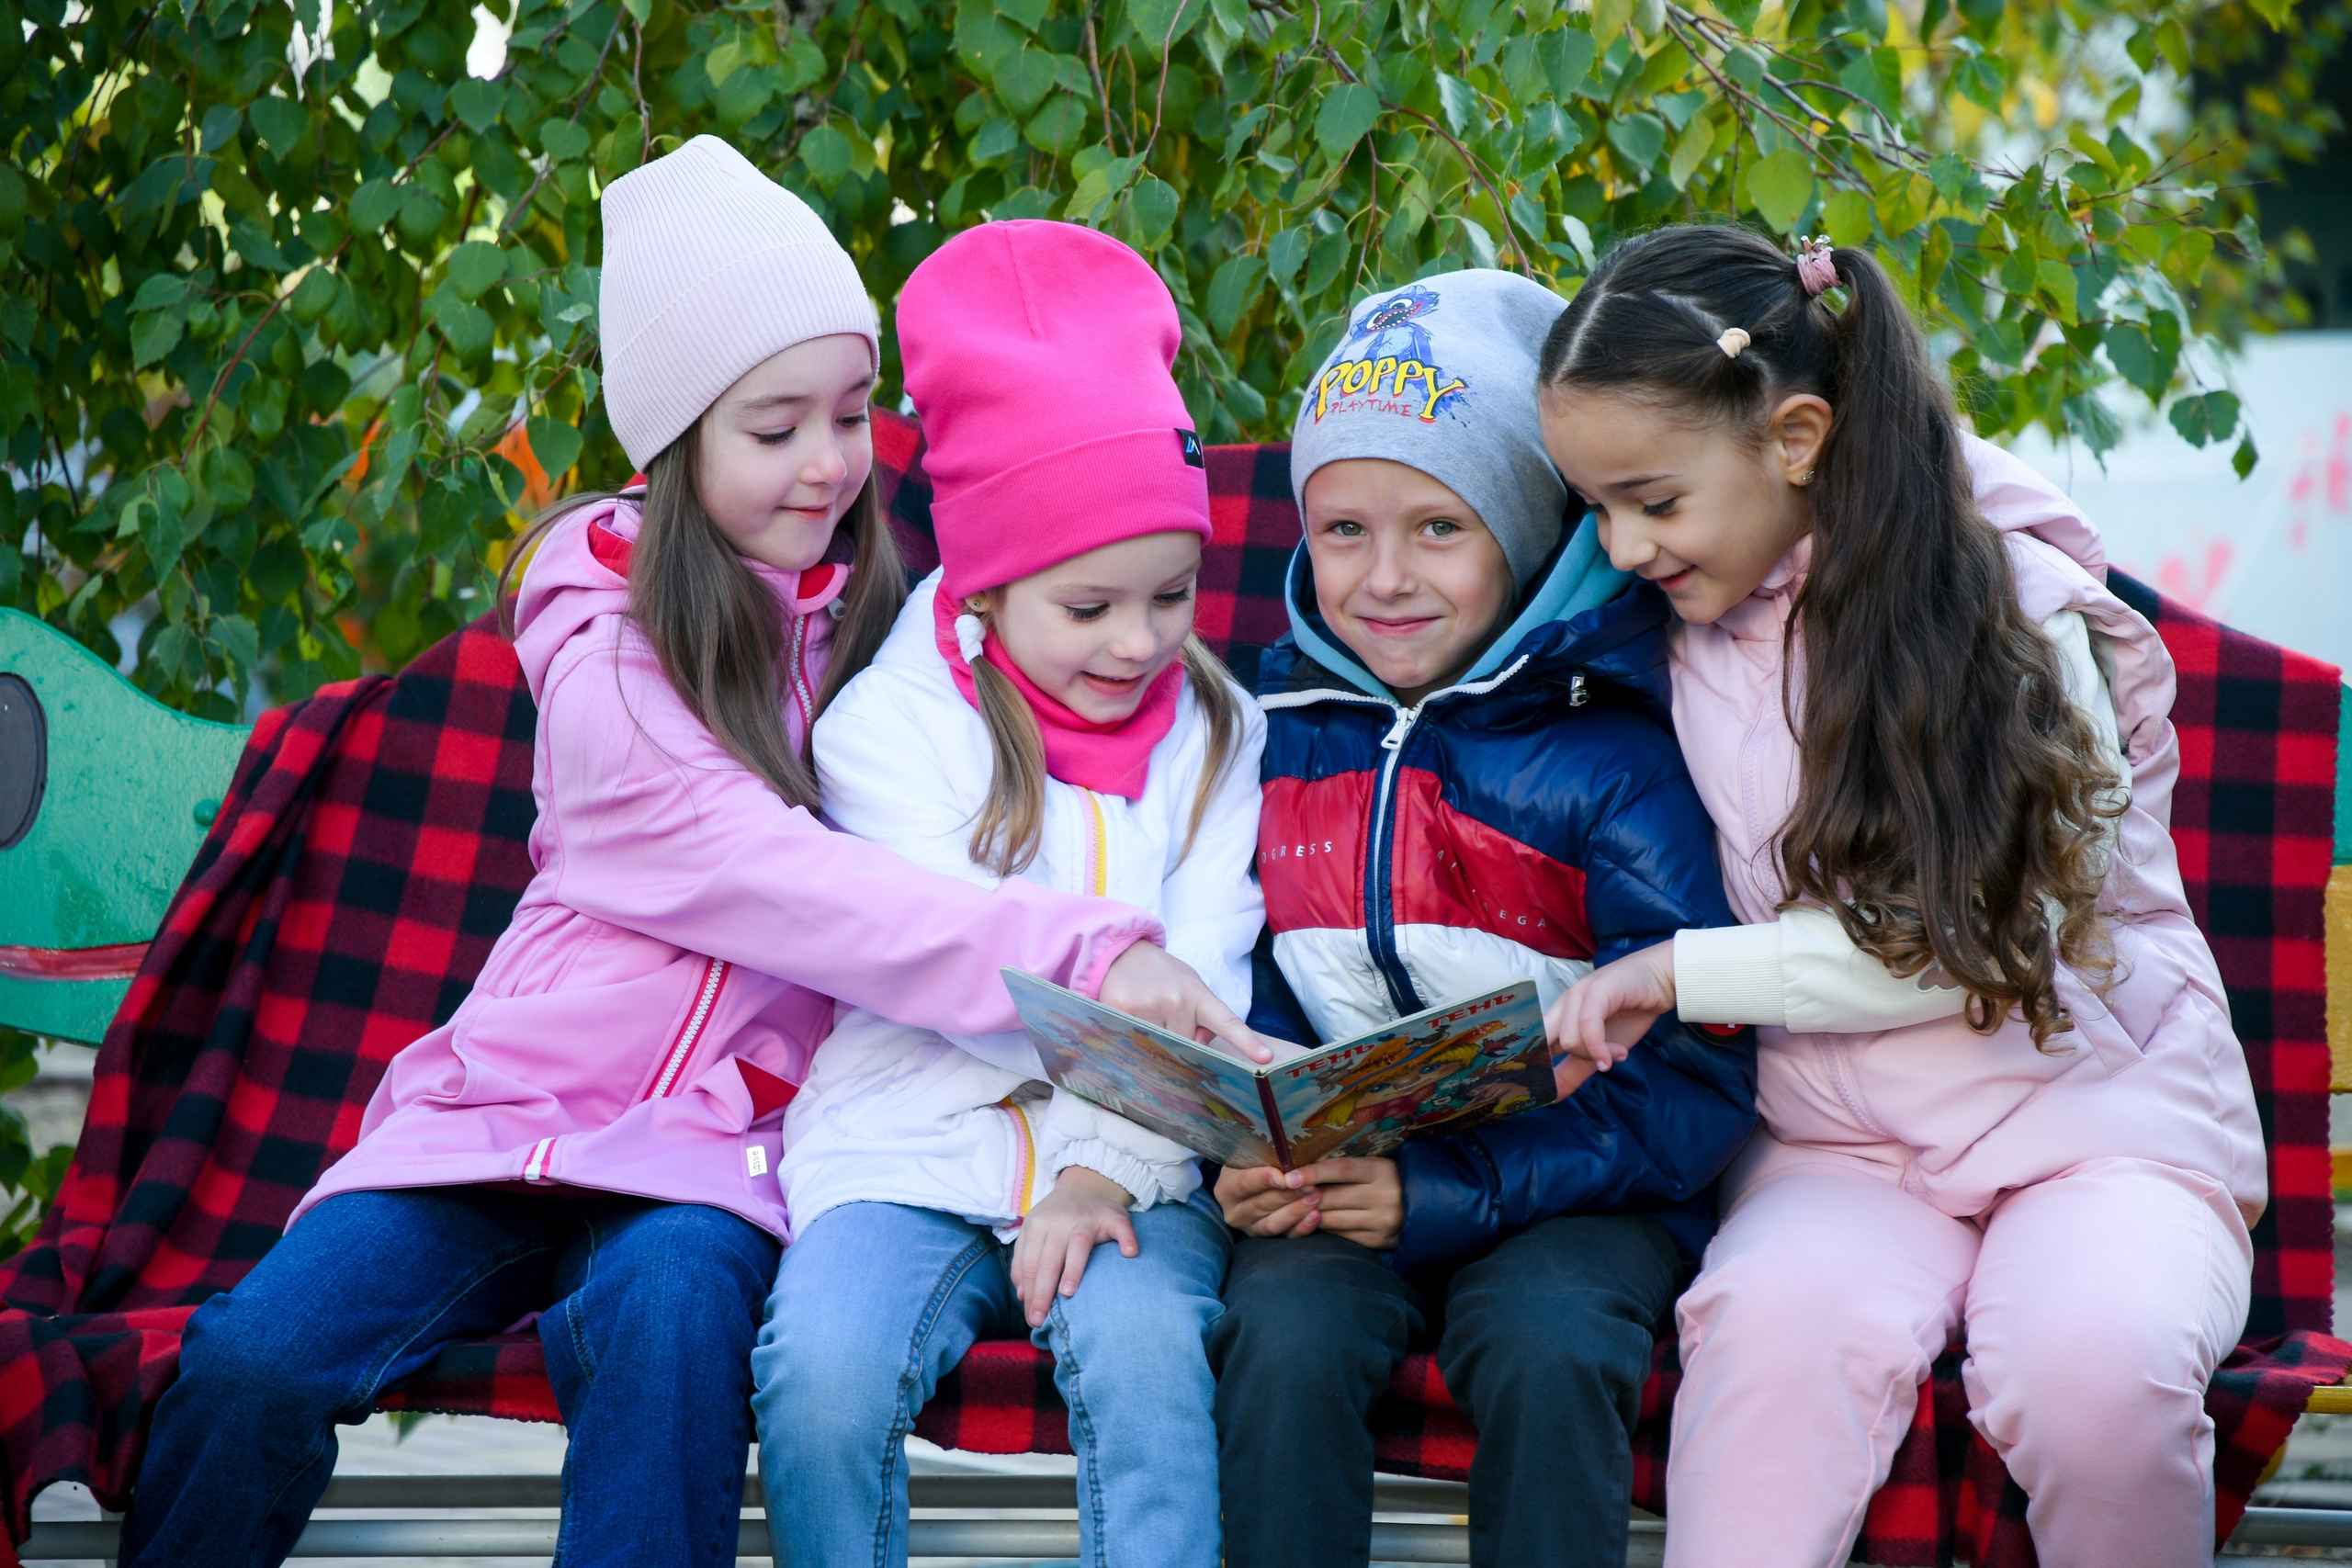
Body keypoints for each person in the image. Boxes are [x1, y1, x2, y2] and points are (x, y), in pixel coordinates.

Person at [118, 141, 1257, 1568]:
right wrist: (1091, 960)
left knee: (670, 1343)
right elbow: (764, 876)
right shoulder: (601, 639)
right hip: (504, 1119)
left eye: (851, 416)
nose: (831, 464)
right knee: (253, 1363)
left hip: (717, 1155)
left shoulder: (880, 628)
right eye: (775, 430)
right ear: (675, 443)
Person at [1543, 225, 2264, 1568]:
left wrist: (1673, 974)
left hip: (2089, 1116)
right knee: (1767, 1351)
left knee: (2096, 1374)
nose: (1620, 544)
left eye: (1650, 499)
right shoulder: (1684, 621)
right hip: (1838, 1145)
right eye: (1593, 505)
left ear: (1797, 437)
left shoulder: (2006, 611)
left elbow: (1977, 937)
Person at [1209, 269, 1758, 1568]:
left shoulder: (1616, 756)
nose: (1384, 577)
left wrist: (1443, 1192)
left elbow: (1697, 1072)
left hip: (1590, 1186)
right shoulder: (1274, 735)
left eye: (1439, 529)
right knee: (1278, 1341)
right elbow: (1252, 987)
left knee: (1551, 1343)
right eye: (1342, 530)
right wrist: (1249, 1142)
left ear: (1520, 529)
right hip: (1348, 1183)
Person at [752, 220, 1265, 1568]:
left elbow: (1208, 977)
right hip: (910, 1147)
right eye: (1090, 607)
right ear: (985, 581)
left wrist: (1108, 1166)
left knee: (1153, 1368)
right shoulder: (889, 731)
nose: (1140, 641)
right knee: (821, 1377)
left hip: (1137, 1165)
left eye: (1171, 594)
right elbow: (945, 966)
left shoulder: (1214, 736)